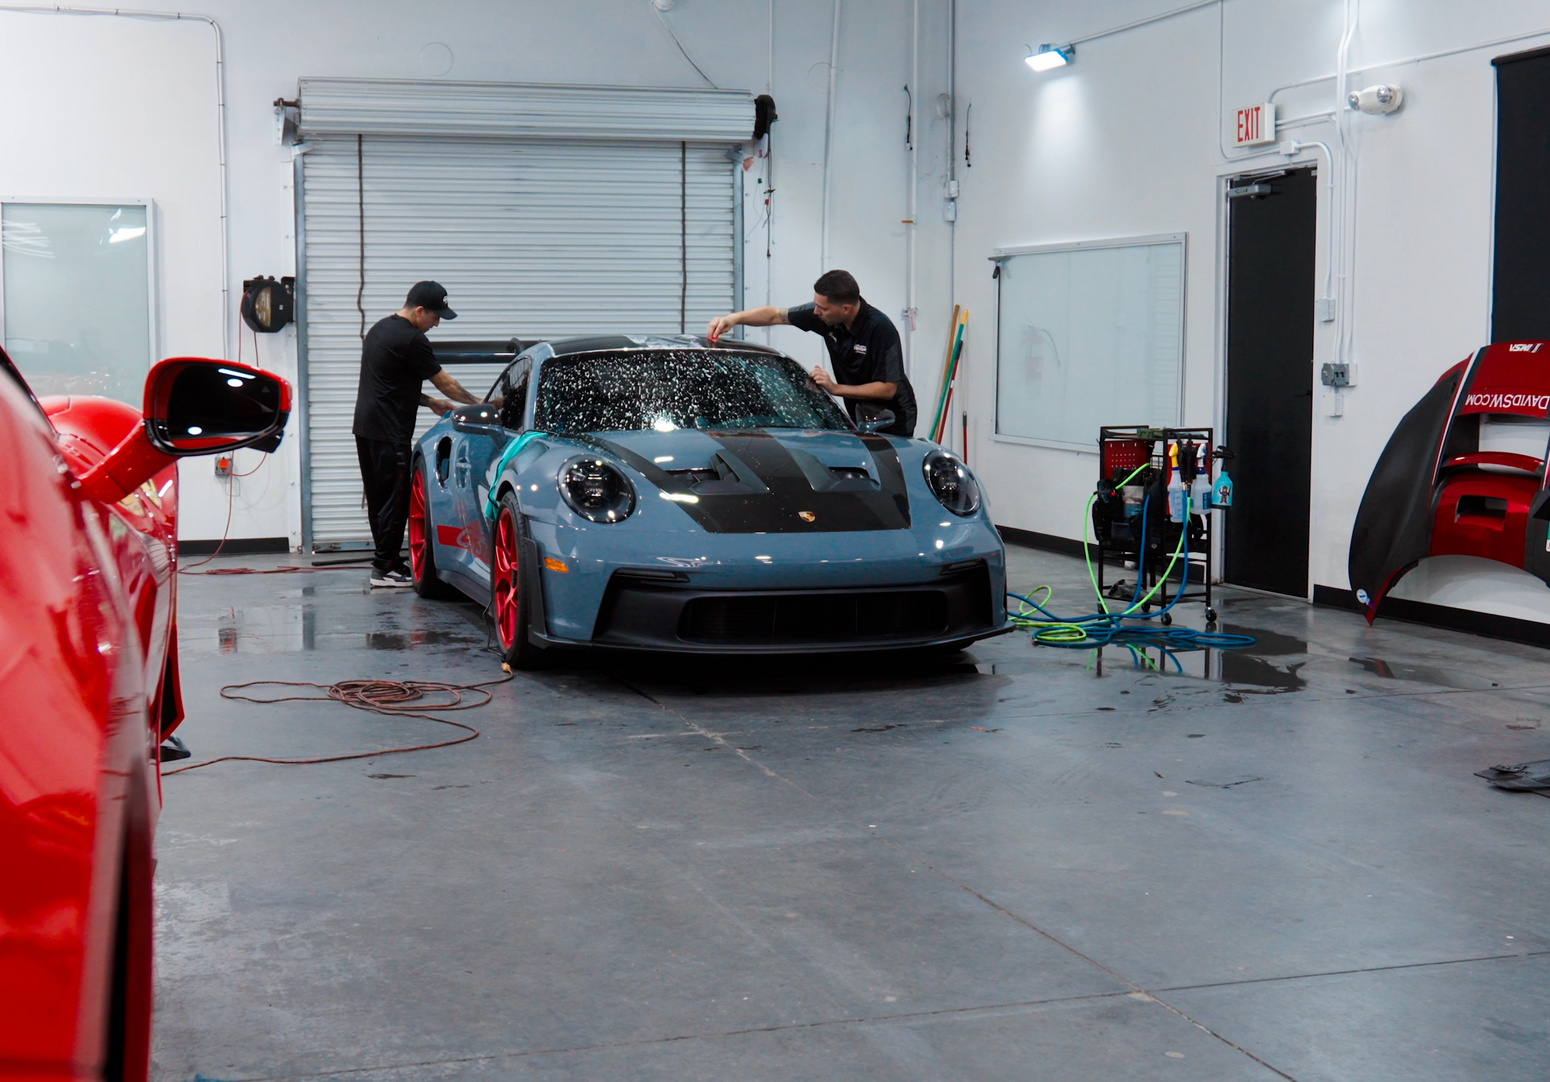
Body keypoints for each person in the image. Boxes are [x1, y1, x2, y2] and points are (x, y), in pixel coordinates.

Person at [352, 281, 481, 587]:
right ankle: (386, 569)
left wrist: (427, 402)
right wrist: (481, 404)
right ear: (420, 310)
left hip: (366, 427)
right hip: (389, 430)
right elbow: (446, 383)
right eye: (436, 317)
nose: (437, 323)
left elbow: (388, 382)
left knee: (379, 498)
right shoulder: (412, 339)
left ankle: (386, 562)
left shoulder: (380, 329)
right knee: (395, 500)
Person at [706, 269, 918, 438]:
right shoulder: (825, 316)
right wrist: (733, 319)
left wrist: (835, 388)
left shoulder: (880, 329)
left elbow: (888, 388)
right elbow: (775, 315)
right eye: (816, 305)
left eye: (822, 308)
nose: (816, 312)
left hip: (893, 417)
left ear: (845, 309)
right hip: (860, 412)